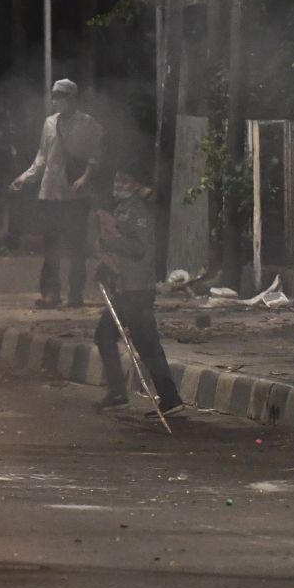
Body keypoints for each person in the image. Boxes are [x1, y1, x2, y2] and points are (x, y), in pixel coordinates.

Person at [94, 163, 184, 416]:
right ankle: (120, 392)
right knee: (106, 336)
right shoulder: (122, 210)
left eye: (124, 181)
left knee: (147, 345)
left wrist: (111, 242)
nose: (118, 186)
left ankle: (168, 398)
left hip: (137, 290)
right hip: (125, 289)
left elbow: (137, 249)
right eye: (116, 181)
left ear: (135, 185)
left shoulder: (137, 211)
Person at [10, 78, 103, 308]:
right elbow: (42, 157)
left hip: (75, 194)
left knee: (76, 247)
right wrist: (25, 177)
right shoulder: (49, 123)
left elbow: (95, 155)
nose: (56, 100)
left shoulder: (87, 123)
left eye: (61, 95)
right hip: (50, 192)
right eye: (54, 95)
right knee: (51, 246)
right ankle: (51, 294)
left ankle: (75, 295)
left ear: (72, 98)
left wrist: (85, 178)